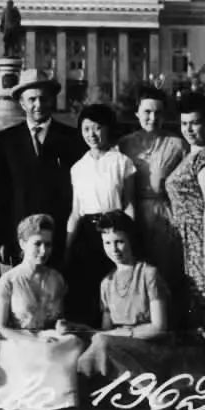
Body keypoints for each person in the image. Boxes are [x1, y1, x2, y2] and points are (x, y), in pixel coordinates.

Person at [0, 213, 87, 410]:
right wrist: (32, 340)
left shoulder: (56, 278)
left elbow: (57, 318)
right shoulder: (9, 280)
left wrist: (61, 325)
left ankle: (60, 397)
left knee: (73, 343)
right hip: (14, 339)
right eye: (37, 244)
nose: (43, 251)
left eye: (48, 245)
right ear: (23, 243)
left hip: (44, 336)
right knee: (44, 351)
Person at [0, 68, 83, 268]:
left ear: (52, 100)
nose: (38, 105)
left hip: (60, 237)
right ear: (22, 103)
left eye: (44, 98)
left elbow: (78, 193)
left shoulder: (72, 139)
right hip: (21, 238)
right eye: (32, 99)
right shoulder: (6, 141)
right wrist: (3, 239)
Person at [76, 211, 173, 395]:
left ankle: (155, 393)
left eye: (119, 241)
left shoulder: (148, 274)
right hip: (117, 351)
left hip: (152, 350)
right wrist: (77, 328)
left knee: (102, 343)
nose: (114, 249)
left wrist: (120, 334)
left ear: (131, 240)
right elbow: (105, 331)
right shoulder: (106, 283)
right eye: (107, 243)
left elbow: (159, 328)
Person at [64, 103, 136, 322]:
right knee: (86, 288)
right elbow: (76, 212)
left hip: (114, 230)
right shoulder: (78, 167)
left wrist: (131, 236)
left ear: (107, 128)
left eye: (97, 128)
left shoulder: (121, 162)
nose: (91, 134)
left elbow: (129, 204)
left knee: (114, 284)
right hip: (87, 234)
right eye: (86, 129)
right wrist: (68, 245)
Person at [165, 91, 205, 335]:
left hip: (200, 238)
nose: (189, 129)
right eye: (184, 124)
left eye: (195, 123)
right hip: (185, 239)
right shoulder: (190, 154)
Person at [118, 83, 187, 296]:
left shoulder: (177, 144)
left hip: (165, 215)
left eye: (158, 112)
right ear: (137, 113)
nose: (152, 118)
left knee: (166, 272)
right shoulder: (125, 144)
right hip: (134, 213)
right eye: (147, 112)